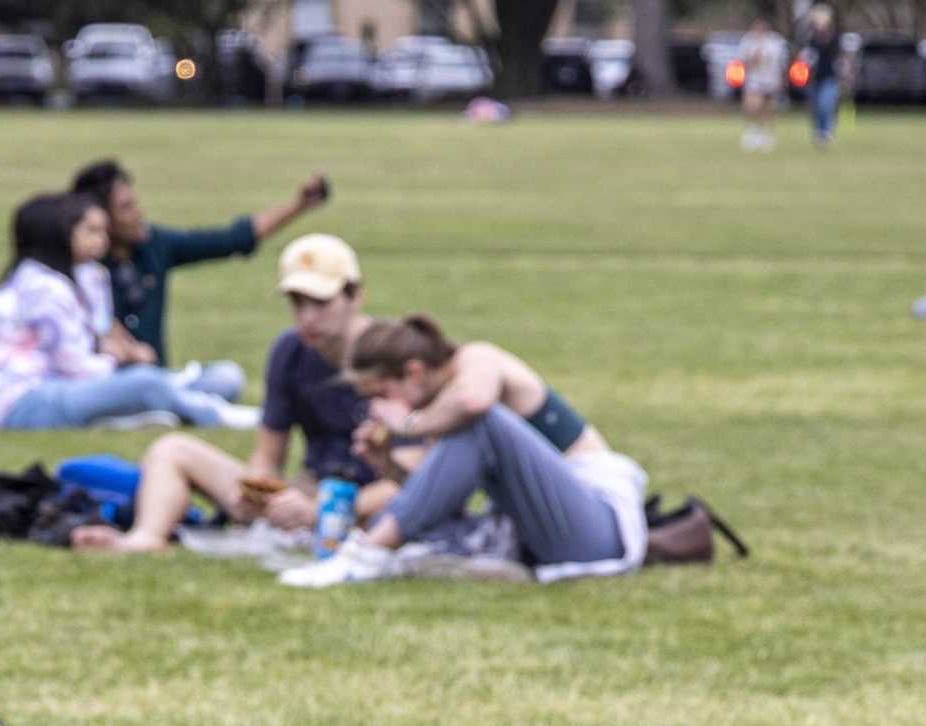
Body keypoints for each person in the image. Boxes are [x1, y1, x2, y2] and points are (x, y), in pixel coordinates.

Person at [73, 234, 395, 554]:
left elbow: (420, 476)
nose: (308, 317)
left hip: (374, 501)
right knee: (172, 449)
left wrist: (320, 512)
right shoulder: (290, 350)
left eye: (322, 303)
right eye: (298, 303)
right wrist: (258, 492)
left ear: (356, 296)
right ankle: (145, 539)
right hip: (309, 490)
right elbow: (269, 456)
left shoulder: (390, 351)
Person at [281, 314, 647, 588]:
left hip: (602, 530)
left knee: (483, 421)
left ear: (414, 371)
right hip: (544, 534)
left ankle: (365, 556)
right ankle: (367, 552)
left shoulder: (476, 360)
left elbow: (475, 401)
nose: (379, 408)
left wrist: (408, 423)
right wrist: (389, 467)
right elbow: (441, 497)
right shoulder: (446, 411)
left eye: (381, 394)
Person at [0, 193, 264, 432]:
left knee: (225, 378)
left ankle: (130, 413)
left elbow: (98, 338)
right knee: (144, 383)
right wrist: (128, 363)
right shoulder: (42, 289)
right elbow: (77, 367)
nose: (102, 239)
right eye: (89, 230)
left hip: (65, 387)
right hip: (22, 400)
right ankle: (216, 415)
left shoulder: (80, 277)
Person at [70, 158, 330, 382]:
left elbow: (230, 240)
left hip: (156, 378)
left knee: (226, 377)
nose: (138, 214)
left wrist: (299, 205)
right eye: (127, 208)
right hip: (102, 380)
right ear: (101, 217)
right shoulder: (76, 270)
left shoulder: (154, 245)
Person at [736, 12, 788, 151]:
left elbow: (782, 63)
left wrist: (783, 80)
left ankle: (766, 134)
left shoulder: (777, 42)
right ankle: (751, 131)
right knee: (752, 105)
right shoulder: (748, 41)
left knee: (768, 108)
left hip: (771, 80)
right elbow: (744, 63)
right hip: (754, 80)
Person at [797, 6, 844, 149]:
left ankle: (826, 131)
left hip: (830, 77)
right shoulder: (810, 38)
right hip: (813, 78)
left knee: (826, 105)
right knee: (815, 107)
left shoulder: (834, 38)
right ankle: (818, 132)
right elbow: (804, 57)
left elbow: (841, 59)